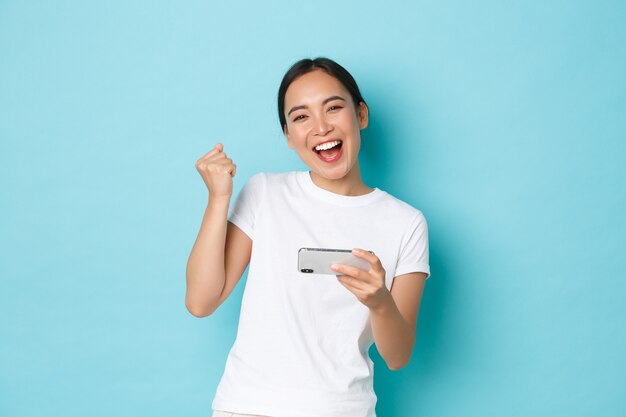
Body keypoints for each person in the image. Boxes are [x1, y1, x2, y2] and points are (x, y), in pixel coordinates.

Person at [186, 57, 430, 417]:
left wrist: (379, 301)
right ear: (288, 136)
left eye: (333, 108)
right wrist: (218, 198)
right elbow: (201, 302)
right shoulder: (265, 192)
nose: (321, 127)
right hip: (247, 407)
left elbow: (398, 356)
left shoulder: (406, 222)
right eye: (301, 117)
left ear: (360, 115)